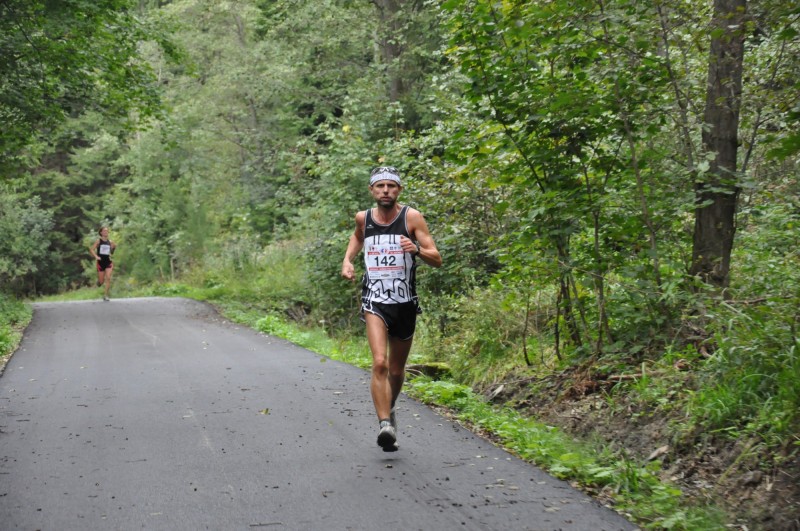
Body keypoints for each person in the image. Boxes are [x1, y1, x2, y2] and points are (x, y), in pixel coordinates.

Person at [341, 166, 442, 452]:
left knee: (396, 371)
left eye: (391, 186)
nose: (386, 190)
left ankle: (390, 407)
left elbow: (437, 258)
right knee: (380, 363)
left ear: (399, 190)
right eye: (380, 186)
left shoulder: (411, 217)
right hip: (374, 300)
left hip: (405, 303)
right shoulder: (363, 218)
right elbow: (358, 236)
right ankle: (385, 424)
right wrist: (348, 260)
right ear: (372, 190)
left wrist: (417, 250)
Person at [90, 226, 116, 301]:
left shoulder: (110, 242)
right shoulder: (98, 241)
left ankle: (106, 295)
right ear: (101, 232)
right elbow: (91, 249)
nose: (106, 232)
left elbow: (112, 252)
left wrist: (113, 248)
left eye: (107, 231)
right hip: (100, 263)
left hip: (108, 262)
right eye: (104, 231)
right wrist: (96, 256)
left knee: (108, 277)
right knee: (101, 282)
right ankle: (99, 282)